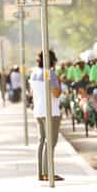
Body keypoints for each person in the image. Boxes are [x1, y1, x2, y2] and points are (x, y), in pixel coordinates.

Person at [30, 50, 63, 181]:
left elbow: (32, 92)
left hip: (38, 110)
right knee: (51, 142)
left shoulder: (33, 73)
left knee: (42, 141)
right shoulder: (50, 74)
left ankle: (41, 173)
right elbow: (56, 93)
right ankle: (48, 173)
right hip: (51, 111)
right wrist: (59, 85)